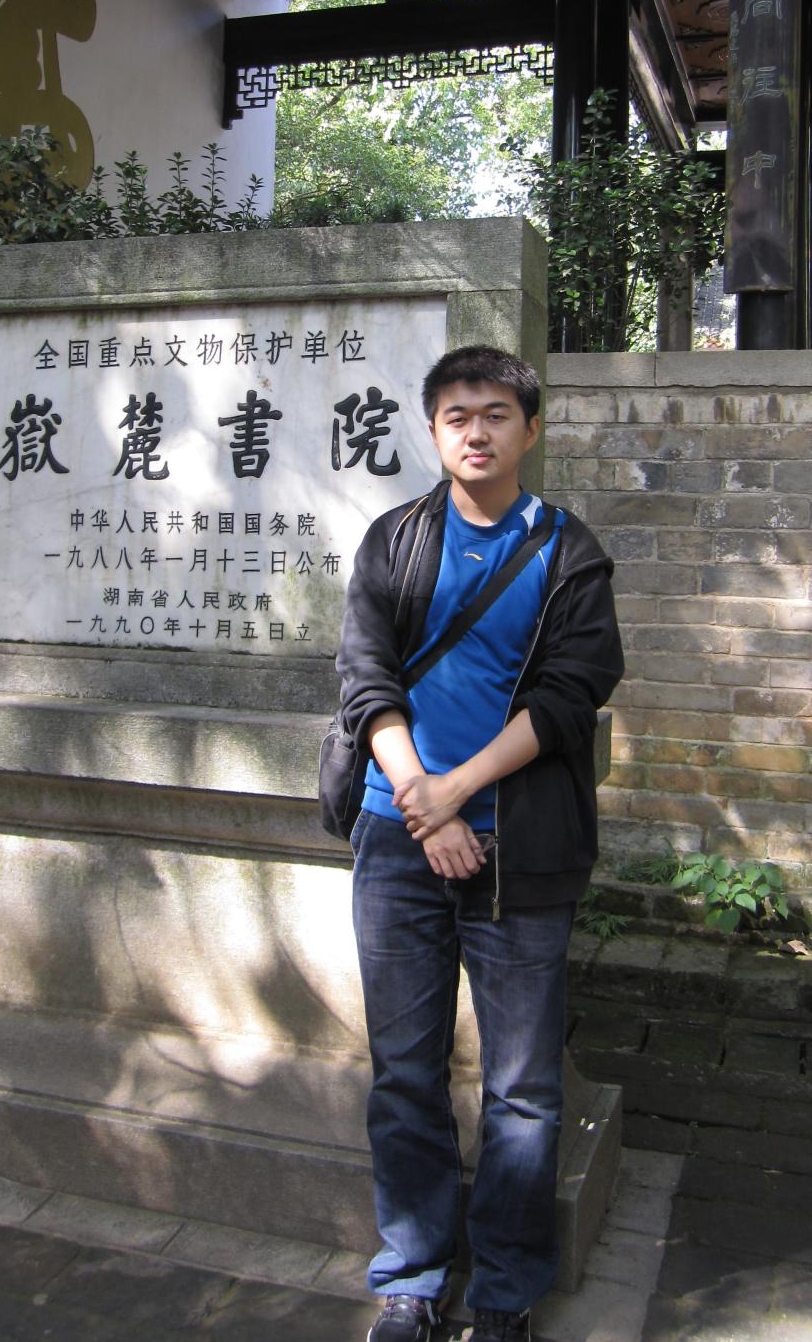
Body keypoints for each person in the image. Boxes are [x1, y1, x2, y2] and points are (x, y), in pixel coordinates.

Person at [336, 344, 624, 1342]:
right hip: (395, 841)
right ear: (432, 430)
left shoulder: (569, 552)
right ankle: (411, 1276)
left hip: (519, 853)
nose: (475, 431)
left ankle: (504, 1289)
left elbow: (571, 694)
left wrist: (454, 793)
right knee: (404, 1070)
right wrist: (425, 805)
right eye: (456, 415)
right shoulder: (394, 541)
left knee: (524, 1091)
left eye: (496, 413)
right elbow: (366, 679)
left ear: (529, 430)